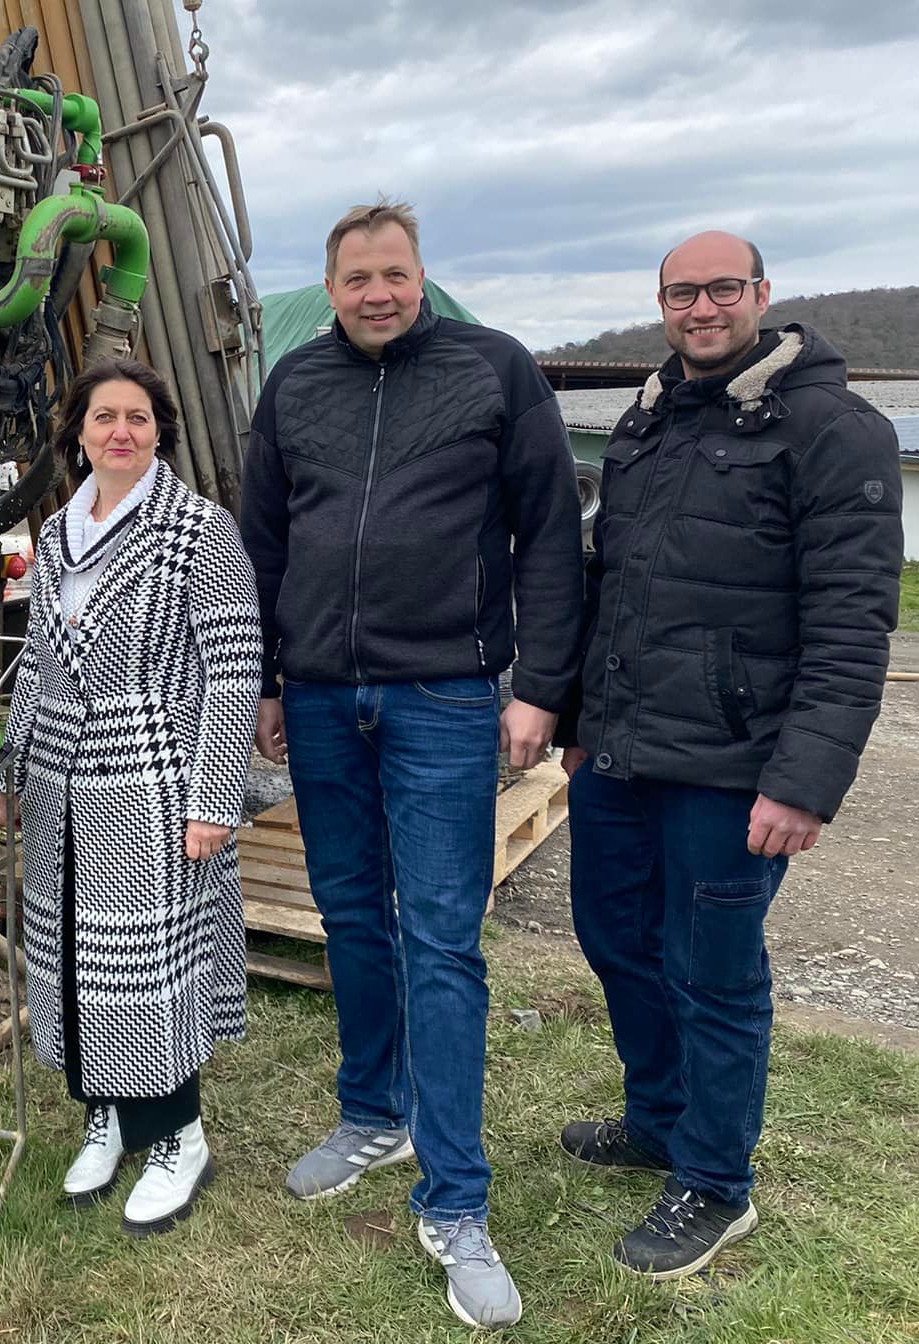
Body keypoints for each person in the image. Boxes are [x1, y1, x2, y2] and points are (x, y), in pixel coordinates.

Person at [239, 201, 583, 1330]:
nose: (376, 292)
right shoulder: (294, 386)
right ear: (329, 285)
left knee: (440, 937)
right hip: (327, 699)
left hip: (443, 694)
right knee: (348, 913)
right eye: (355, 277)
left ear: (420, 275)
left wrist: (538, 689)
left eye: (393, 273)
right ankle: (369, 1113)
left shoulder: (493, 372)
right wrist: (268, 678)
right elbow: (263, 541)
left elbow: (548, 533)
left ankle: (456, 1200)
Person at [558, 231, 903, 1279]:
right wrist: (578, 721)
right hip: (620, 754)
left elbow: (852, 622)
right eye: (679, 292)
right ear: (658, 304)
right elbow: (606, 583)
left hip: (730, 765)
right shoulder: (650, 417)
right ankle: (659, 1121)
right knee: (616, 939)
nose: (699, 308)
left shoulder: (830, 427)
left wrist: (802, 782)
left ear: (760, 293)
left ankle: (714, 1182)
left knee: (712, 974)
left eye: (719, 289)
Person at [3, 356, 263, 1237]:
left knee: (149, 968)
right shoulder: (59, 529)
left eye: (138, 419)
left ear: (160, 432)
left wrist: (214, 797)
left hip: (153, 775)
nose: (121, 431)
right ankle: (106, 1118)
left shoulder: (198, 529)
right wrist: (13, 765)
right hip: (59, 779)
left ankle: (177, 1136)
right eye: (104, 417)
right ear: (78, 432)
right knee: (75, 956)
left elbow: (232, 670)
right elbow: (37, 659)